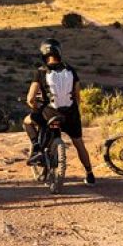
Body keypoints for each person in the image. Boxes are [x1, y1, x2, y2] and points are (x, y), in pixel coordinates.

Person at [23, 38, 95, 186]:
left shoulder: (41, 72)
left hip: (51, 112)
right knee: (79, 144)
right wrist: (74, 110)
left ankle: (36, 146)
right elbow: (77, 96)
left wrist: (36, 108)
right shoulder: (71, 70)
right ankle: (90, 174)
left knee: (27, 121)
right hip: (71, 114)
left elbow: (30, 98)